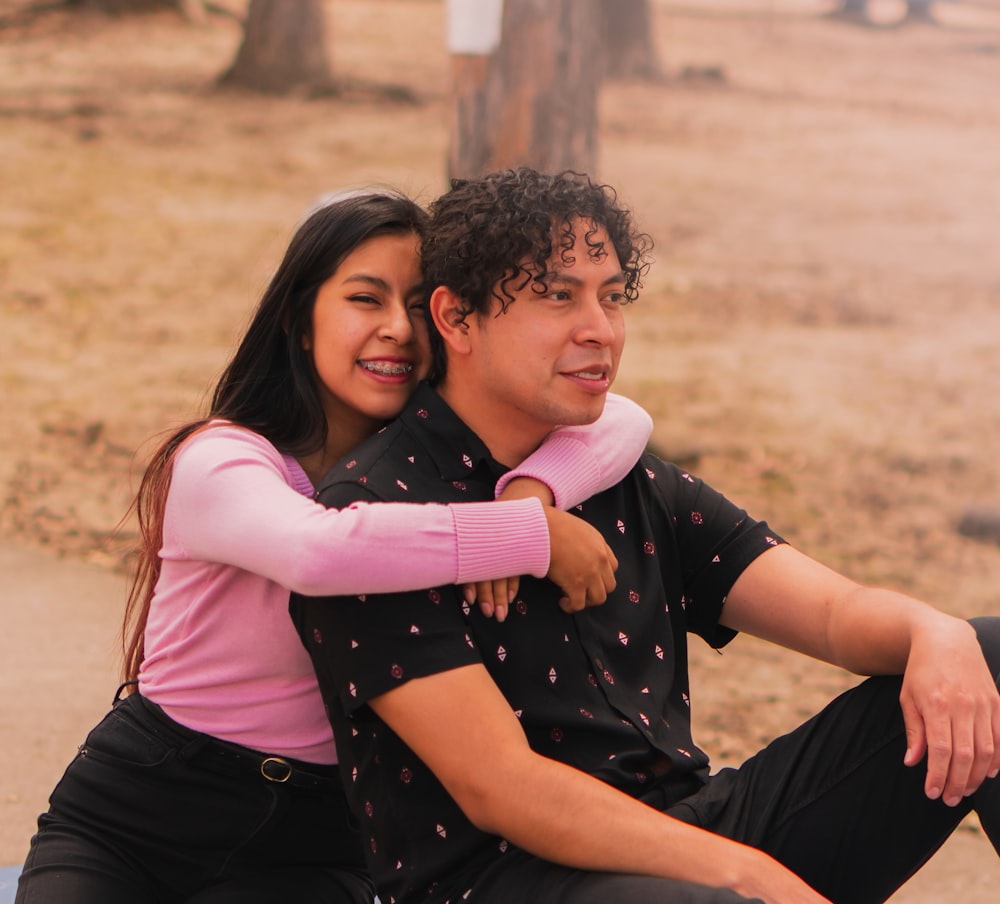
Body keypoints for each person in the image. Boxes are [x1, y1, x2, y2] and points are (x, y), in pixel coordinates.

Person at [291, 168, 1000, 904]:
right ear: (457, 319)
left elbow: (830, 614)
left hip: (687, 835)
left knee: (993, 657)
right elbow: (502, 789)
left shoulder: (616, 473)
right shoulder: (380, 516)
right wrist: (753, 877)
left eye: (613, 296)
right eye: (557, 295)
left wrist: (934, 632)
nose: (600, 328)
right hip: (510, 879)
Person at [15, 189, 656, 904]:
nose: (396, 331)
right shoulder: (222, 460)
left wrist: (530, 490)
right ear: (299, 318)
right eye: (363, 299)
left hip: (319, 844)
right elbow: (317, 554)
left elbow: (623, 418)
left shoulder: (433, 471)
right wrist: (529, 537)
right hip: (139, 820)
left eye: (417, 306)